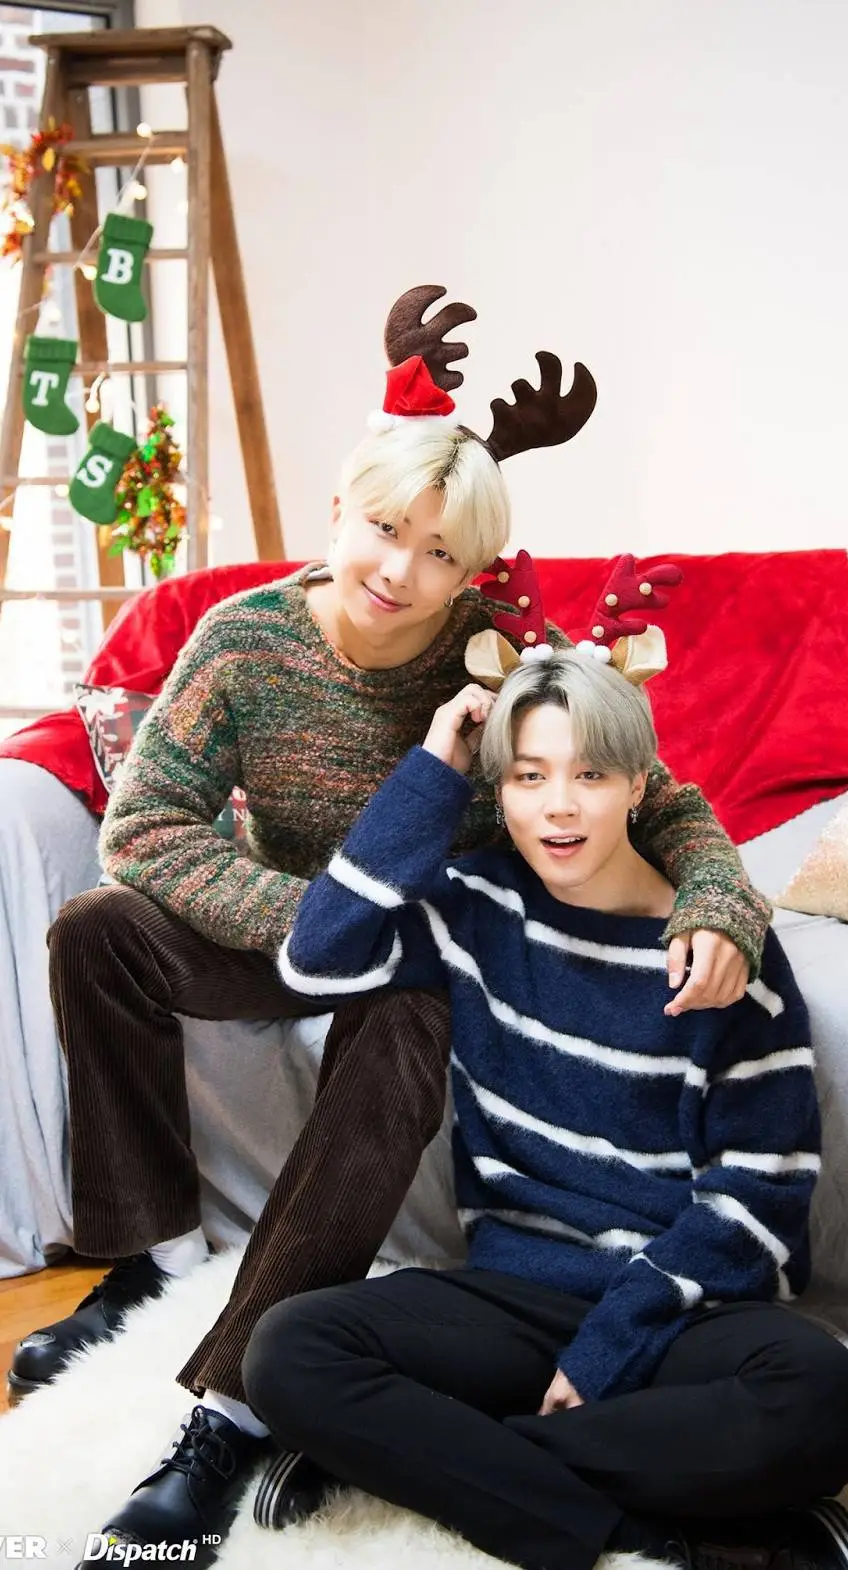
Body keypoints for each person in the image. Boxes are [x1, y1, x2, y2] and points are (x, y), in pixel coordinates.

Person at [14, 288, 771, 1558]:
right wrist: (309, 915)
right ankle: (149, 1257)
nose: (398, 573)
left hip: (423, 951)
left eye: (437, 555)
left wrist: (716, 901)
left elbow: (665, 798)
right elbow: (143, 826)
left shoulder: (499, 654)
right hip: (290, 925)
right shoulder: (243, 643)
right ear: (339, 511)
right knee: (95, 930)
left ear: (470, 571)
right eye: (382, 530)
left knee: (408, 1016)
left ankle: (232, 1405)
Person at [245, 647, 848, 1570]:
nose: (558, 807)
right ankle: (655, 1542)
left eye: (589, 775)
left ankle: (435, 1462)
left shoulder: (719, 955)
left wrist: (607, 1349)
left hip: (673, 1310)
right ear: (498, 791)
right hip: (511, 1296)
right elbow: (317, 957)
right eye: (529, 777)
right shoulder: (475, 906)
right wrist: (433, 768)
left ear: (637, 786)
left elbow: (757, 1198)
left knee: (825, 1398)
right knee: (289, 1352)